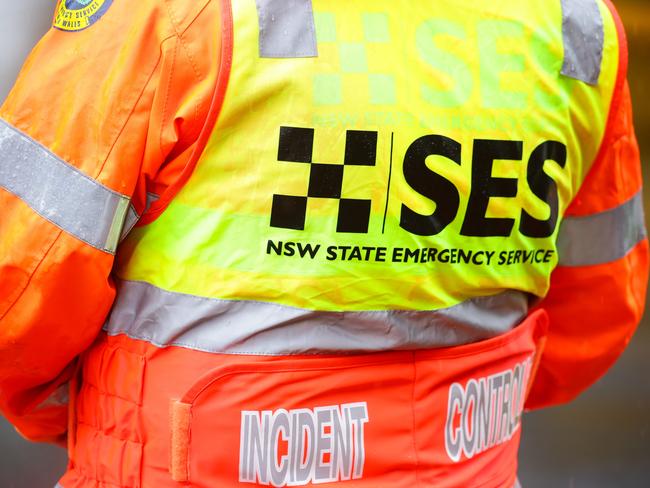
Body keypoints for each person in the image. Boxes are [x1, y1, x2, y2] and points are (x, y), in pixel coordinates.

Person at [0, 0, 646, 486]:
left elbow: (20, 291)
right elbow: (593, 314)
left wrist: (96, 413)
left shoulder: (173, 12)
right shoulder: (577, 25)